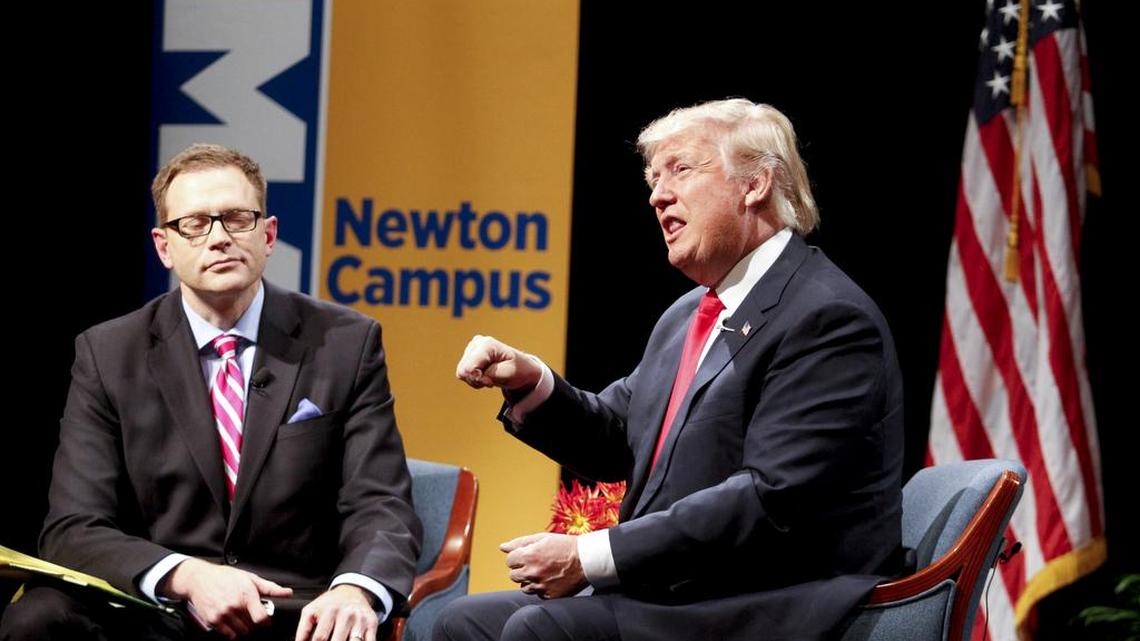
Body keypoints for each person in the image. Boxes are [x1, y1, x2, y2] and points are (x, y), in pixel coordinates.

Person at [444, 99, 906, 641]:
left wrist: (590, 556)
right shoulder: (691, 313)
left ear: (755, 183)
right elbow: (619, 435)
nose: (658, 195)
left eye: (680, 170)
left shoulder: (826, 317)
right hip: (684, 590)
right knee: (462, 623)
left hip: (771, 599)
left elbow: (768, 497)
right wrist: (530, 382)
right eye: (653, 180)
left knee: (541, 631)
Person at [0, 144, 421, 641]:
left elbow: (380, 502)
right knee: (37, 618)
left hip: (294, 613)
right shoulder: (108, 353)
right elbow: (73, 526)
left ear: (268, 235)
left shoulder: (344, 342)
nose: (219, 238)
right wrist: (188, 576)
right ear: (163, 247)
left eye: (237, 219)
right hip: (158, 610)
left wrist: (356, 591)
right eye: (195, 224)